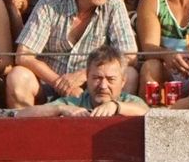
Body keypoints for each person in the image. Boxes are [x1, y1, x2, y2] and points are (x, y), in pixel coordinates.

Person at [6, 0, 135, 108]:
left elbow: (129, 55)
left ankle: (111, 122)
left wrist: (84, 75)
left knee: (129, 74)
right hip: (48, 85)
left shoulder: (114, 6)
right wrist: (59, 83)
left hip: (95, 86)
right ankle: (27, 125)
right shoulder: (49, 4)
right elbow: (23, 55)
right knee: (18, 77)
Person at [15, 44, 144, 117]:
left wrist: (116, 106)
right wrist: (59, 109)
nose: (103, 85)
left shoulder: (129, 101)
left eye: (111, 79)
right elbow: (21, 115)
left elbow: (148, 113)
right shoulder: (74, 102)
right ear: (87, 77)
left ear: (123, 81)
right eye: (97, 78)